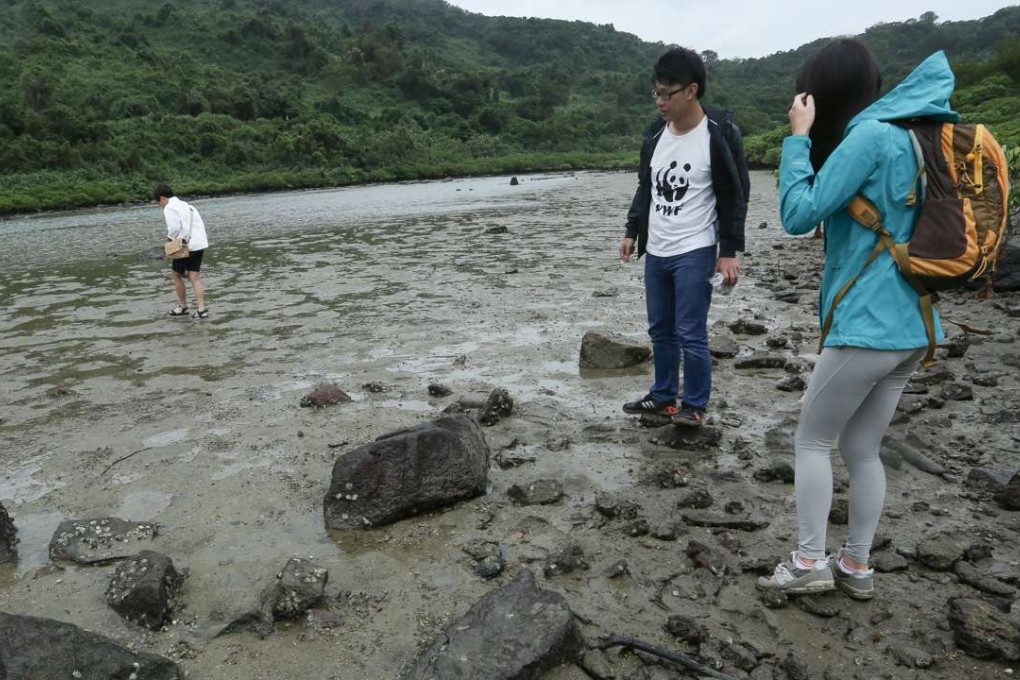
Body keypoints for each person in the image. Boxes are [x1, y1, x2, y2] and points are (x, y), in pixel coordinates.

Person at [757, 41, 953, 599]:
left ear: (822, 94)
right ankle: (857, 565)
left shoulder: (867, 136)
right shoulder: (917, 133)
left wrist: (797, 139)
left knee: (812, 441)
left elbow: (797, 215)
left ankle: (807, 560)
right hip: (915, 323)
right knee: (863, 450)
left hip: (867, 325)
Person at [620, 47, 749, 426]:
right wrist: (631, 230)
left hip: (696, 247)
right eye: (656, 93)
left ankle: (693, 405)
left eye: (666, 93)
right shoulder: (655, 136)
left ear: (691, 91)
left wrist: (728, 251)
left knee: (690, 330)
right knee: (660, 328)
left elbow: (735, 195)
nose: (659, 101)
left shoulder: (719, 134)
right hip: (657, 248)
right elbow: (647, 188)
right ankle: (662, 396)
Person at [156, 185, 210, 319]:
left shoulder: (169, 207)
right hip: (199, 244)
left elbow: (174, 228)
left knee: (176, 275)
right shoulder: (188, 205)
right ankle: (201, 310)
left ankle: (182, 306)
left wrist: (169, 239)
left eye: (159, 202)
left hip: (185, 246)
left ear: (163, 198)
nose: (160, 205)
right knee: (195, 277)